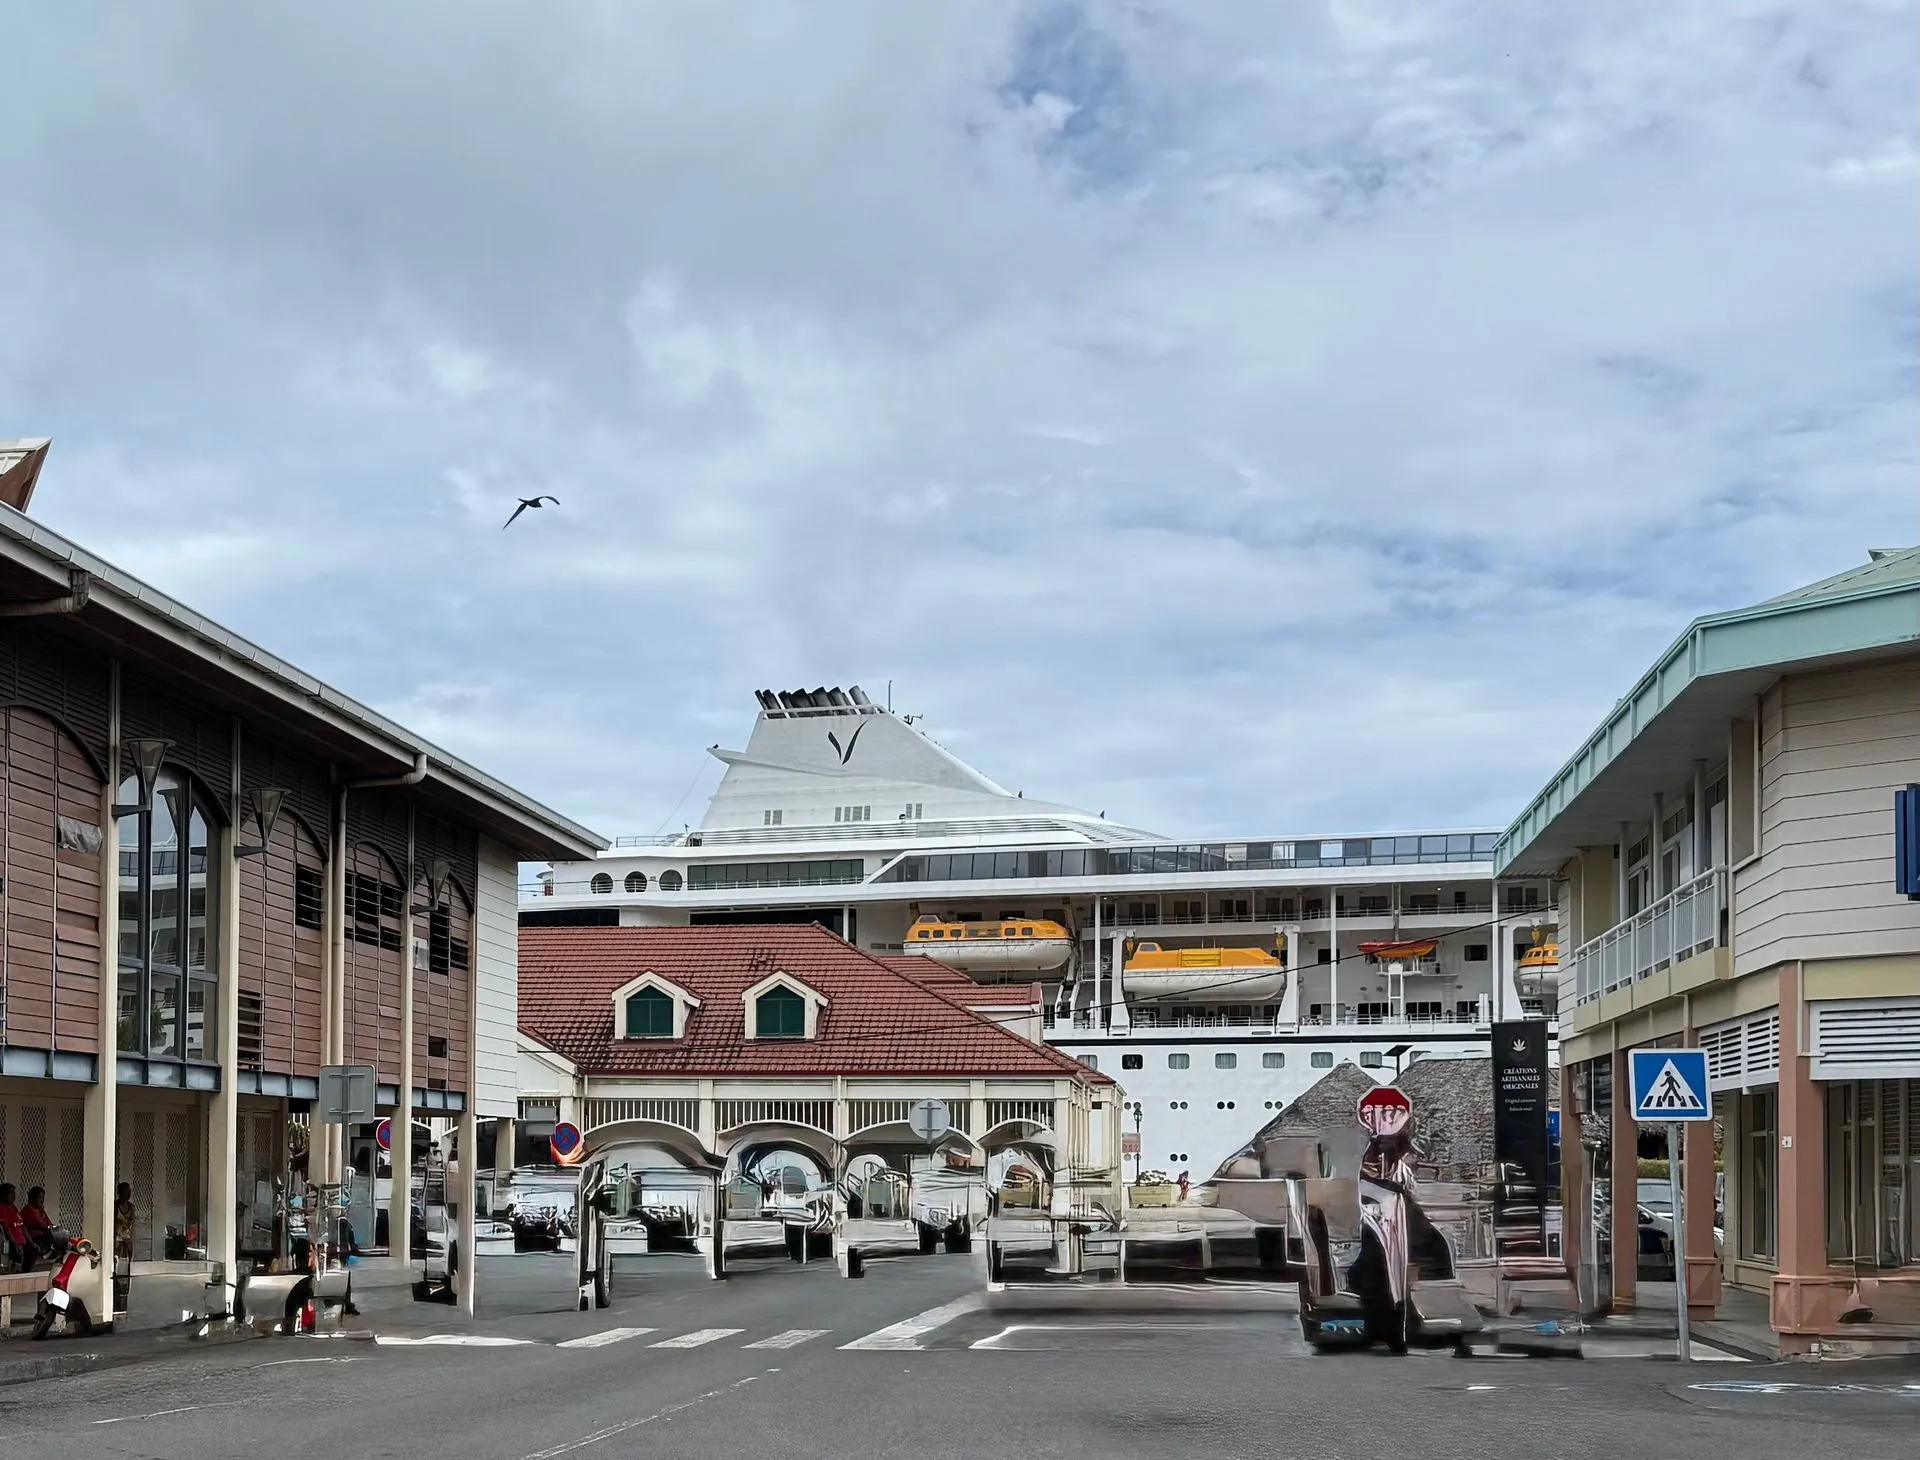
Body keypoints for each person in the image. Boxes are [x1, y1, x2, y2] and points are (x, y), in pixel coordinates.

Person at [21, 1186, 54, 1259]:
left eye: (43, 1197)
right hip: (33, 1237)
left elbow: (49, 1223)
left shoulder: (40, 1209)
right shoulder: (27, 1210)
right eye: (40, 1197)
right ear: (34, 1198)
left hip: (42, 1234)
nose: (42, 1200)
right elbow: (39, 1224)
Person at [0, 1184, 27, 1265]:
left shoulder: (13, 1207)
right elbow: (6, 1228)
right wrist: (16, 1245)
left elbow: (22, 1225)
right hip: (12, 1243)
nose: (14, 1196)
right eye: (11, 1193)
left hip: (22, 1241)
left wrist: (31, 1242)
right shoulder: (2, 1208)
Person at [114, 1182, 136, 1263]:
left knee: (129, 1254)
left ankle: (128, 1267)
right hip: (116, 1235)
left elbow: (132, 1221)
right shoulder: (115, 1205)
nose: (128, 1193)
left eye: (129, 1191)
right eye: (126, 1191)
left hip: (127, 1234)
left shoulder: (131, 1207)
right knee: (116, 1255)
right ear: (120, 1192)